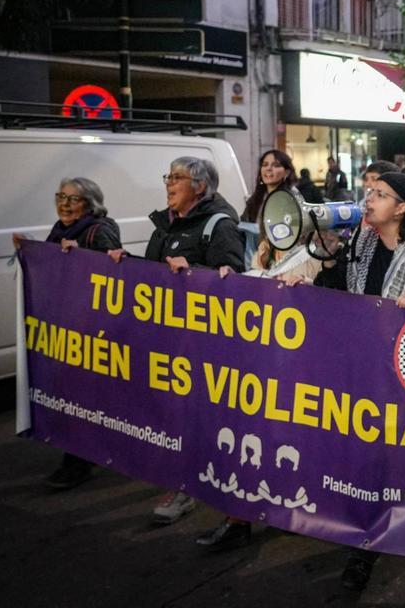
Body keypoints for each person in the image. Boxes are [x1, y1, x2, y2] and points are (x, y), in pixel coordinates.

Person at [287, 170, 405, 591]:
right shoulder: (362, 244)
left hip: (398, 378)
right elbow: (337, 290)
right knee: (355, 454)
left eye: (380, 194)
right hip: (357, 369)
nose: (368, 198)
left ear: (402, 207)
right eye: (369, 192)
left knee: (384, 461)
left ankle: (367, 545)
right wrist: (305, 283)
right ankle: (355, 527)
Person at [107, 158, 247, 543]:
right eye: (167, 176)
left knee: (210, 424)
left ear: (199, 187)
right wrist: (125, 264)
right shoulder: (167, 222)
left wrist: (195, 271)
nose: (169, 183)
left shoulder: (220, 225)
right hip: (171, 343)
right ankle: (187, 486)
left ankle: (232, 507)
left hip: (208, 348)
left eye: (177, 177)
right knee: (178, 419)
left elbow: (234, 281)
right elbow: (153, 272)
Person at [18, 177, 122, 489]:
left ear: (89, 204)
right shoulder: (59, 230)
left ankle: (77, 462)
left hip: (91, 330)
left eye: (72, 199)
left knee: (84, 397)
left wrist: (82, 259)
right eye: (60, 197)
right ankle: (83, 455)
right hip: (66, 328)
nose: (64, 204)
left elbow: (115, 273)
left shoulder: (100, 230)